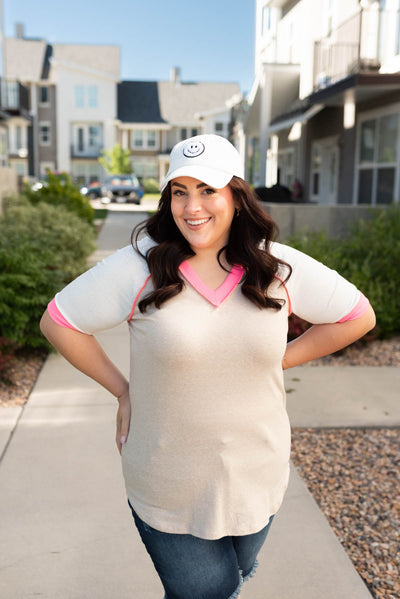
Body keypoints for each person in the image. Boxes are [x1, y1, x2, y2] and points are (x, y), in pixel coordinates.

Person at [40, 134, 376, 599]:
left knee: (230, 579)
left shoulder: (274, 267)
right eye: (180, 191)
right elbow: (59, 322)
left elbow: (358, 316)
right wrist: (122, 390)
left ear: (236, 196)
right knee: (210, 590)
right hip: (167, 482)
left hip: (258, 475)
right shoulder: (139, 265)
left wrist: (278, 360)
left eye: (207, 189)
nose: (191, 206)